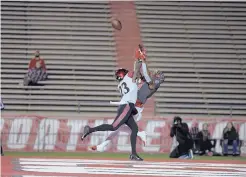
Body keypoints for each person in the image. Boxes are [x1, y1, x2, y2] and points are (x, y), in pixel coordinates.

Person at [89, 70, 165, 152]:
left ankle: (139, 134)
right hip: (133, 107)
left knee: (116, 127)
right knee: (117, 128)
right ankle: (102, 146)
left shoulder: (146, 83)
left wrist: (146, 73)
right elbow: (142, 75)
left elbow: (146, 81)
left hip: (135, 108)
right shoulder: (135, 81)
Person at [81, 68, 143, 161]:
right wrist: (140, 61)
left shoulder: (121, 84)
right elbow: (136, 71)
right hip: (127, 106)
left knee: (134, 128)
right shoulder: (129, 76)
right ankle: (90, 129)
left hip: (127, 106)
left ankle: (133, 154)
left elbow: (133, 87)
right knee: (114, 127)